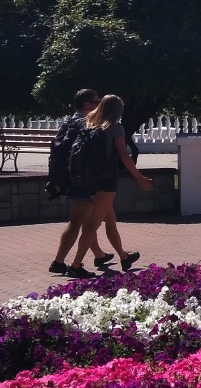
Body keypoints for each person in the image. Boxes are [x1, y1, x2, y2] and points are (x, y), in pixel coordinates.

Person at [68, 94, 152, 276]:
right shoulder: (115, 127)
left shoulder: (88, 123)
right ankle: (75, 266)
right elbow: (124, 155)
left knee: (110, 219)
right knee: (92, 225)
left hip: (88, 179)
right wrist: (139, 178)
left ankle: (123, 256)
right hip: (106, 180)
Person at [47, 89, 114, 277]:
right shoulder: (87, 123)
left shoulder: (69, 121)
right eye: (96, 101)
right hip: (83, 179)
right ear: (87, 105)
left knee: (86, 220)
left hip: (70, 177)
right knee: (80, 221)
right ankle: (60, 262)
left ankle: (98, 254)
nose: (99, 104)